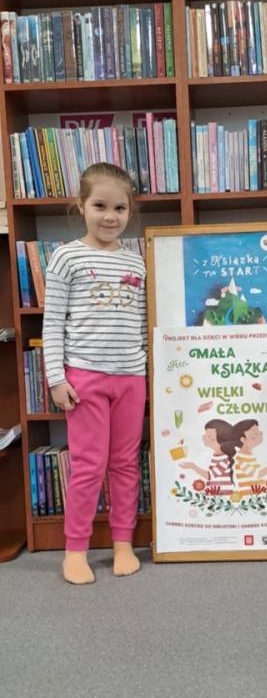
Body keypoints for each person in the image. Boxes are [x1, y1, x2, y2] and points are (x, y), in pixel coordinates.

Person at [43, 163, 147, 585]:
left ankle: (123, 543)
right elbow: (53, 321)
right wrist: (56, 378)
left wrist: (146, 371)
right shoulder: (66, 257)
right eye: (100, 206)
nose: (110, 216)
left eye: (119, 208)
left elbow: (142, 322)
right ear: (81, 206)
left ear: (130, 211)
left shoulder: (136, 262)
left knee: (125, 463)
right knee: (88, 466)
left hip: (131, 379)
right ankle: (75, 550)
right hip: (84, 378)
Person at [180, 419, 236, 494]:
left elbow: (209, 476)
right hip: (214, 492)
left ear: (221, 439)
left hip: (221, 494)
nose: (203, 436)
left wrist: (193, 466)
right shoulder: (217, 456)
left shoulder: (224, 459)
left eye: (208, 435)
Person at [232, 420, 267, 495]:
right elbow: (257, 474)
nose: (261, 433)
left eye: (259, 432)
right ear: (243, 440)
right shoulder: (240, 458)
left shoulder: (248, 455)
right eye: (255, 433)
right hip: (249, 494)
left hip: (257, 492)